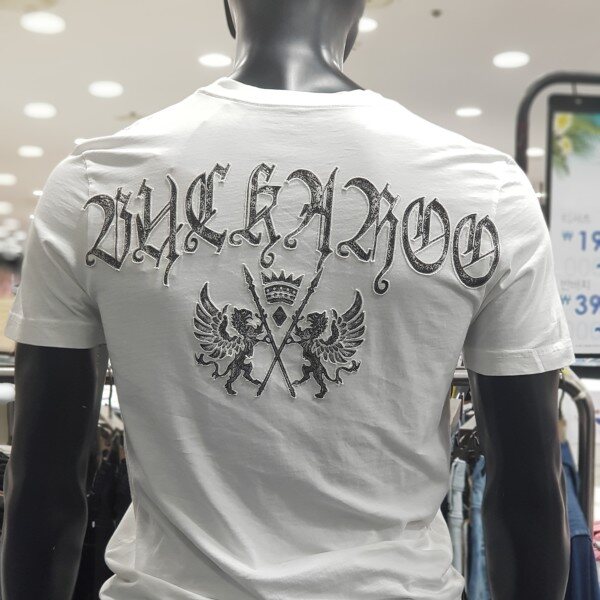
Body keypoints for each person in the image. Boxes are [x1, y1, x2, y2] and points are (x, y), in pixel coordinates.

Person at [1, 1, 574, 599]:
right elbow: (530, 498)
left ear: (228, 9)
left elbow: (43, 489)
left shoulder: (92, 183)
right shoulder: (487, 193)